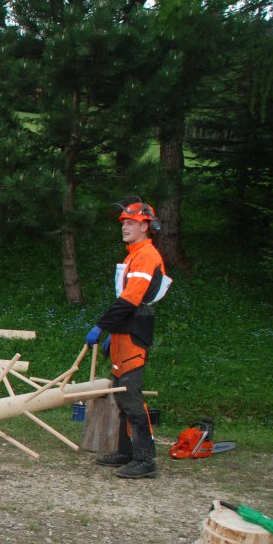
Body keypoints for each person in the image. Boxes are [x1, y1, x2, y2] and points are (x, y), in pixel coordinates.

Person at [85, 197, 171, 479]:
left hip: (135, 328)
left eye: (131, 222)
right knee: (121, 395)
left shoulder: (146, 255)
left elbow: (130, 300)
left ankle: (146, 459)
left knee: (131, 397)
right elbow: (126, 300)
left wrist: (101, 326)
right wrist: (114, 332)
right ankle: (127, 451)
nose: (124, 227)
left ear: (145, 226)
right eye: (123, 222)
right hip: (125, 329)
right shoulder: (132, 255)